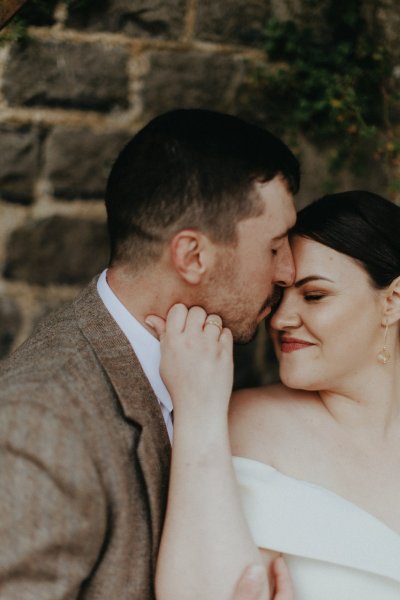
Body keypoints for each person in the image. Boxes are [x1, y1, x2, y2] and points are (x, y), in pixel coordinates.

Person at [0, 108, 300, 599]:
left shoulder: (201, 366)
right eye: (274, 247)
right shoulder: (38, 430)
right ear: (192, 256)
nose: (288, 271)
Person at [149, 191, 400, 600]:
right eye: (280, 295)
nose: (281, 319)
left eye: (314, 295)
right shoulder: (245, 425)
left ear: (392, 301)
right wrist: (200, 408)